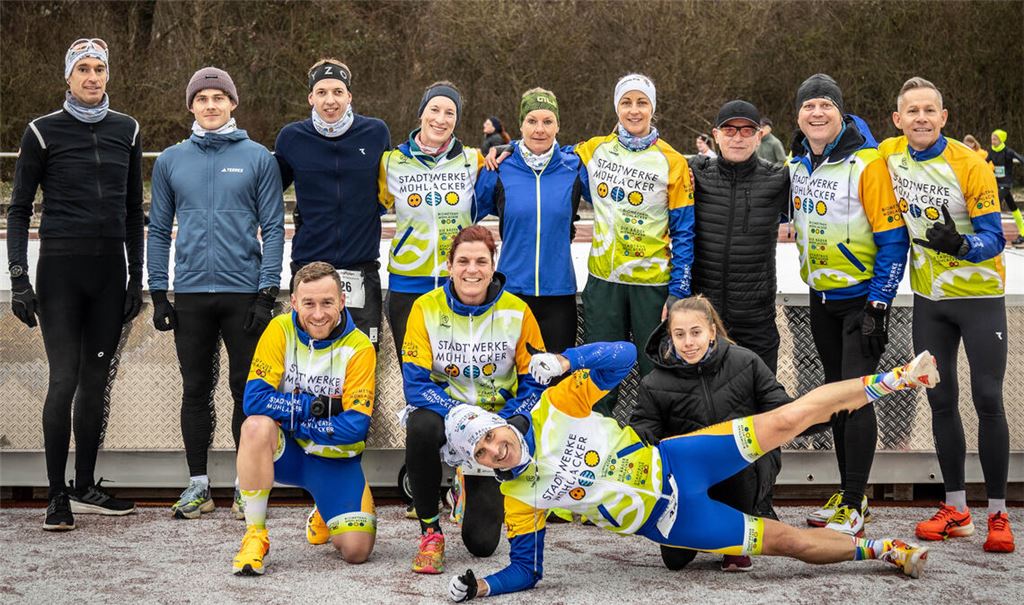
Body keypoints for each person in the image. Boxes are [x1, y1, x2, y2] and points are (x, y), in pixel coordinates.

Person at [440, 342, 940, 601]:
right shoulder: (519, 498)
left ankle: (900, 378)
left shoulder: (554, 407)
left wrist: (566, 360)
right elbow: (526, 571)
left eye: (490, 435)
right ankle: (882, 549)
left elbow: (623, 358)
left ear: (497, 422)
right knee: (788, 543)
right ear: (478, 463)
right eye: (481, 452)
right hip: (672, 522)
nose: (495, 449)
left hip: (679, 461)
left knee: (788, 420)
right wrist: (482, 587)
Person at [7, 37, 142, 530]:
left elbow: (134, 210)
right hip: (60, 272)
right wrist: (19, 278)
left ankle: (85, 486)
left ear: (108, 75)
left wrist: (136, 278)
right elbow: (19, 209)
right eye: (82, 68)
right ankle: (56, 495)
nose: (91, 77)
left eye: (98, 69)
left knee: (95, 382)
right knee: (64, 379)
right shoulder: (41, 131)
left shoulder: (127, 129)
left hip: (109, 274)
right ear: (67, 76)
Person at [878, 77, 1013, 553]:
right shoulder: (889, 152)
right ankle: (956, 509)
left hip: (979, 297)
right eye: (912, 111)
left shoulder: (970, 164)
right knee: (940, 398)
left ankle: (998, 513)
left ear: (943, 117)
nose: (921, 118)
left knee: (988, 398)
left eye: (929, 110)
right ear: (898, 119)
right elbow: (850, 137)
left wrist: (961, 245)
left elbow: (995, 238)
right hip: (929, 300)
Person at [148, 67, 285, 520]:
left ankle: (245, 485)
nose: (210, 105)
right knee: (195, 390)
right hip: (190, 295)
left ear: (232, 103)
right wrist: (159, 292)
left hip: (243, 293)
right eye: (202, 98)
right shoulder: (170, 160)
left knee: (246, 391)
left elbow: (274, 228)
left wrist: (267, 292)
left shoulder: (258, 158)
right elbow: (157, 230)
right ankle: (198, 486)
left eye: (218, 97)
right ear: (191, 106)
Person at [788, 73, 910, 536]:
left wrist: (879, 304)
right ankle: (847, 493)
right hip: (821, 298)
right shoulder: (798, 162)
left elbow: (893, 241)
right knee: (834, 396)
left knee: (856, 399)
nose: (817, 113)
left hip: (861, 300)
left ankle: (856, 503)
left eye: (826, 105)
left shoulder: (867, 162)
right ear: (798, 115)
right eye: (809, 106)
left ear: (841, 113)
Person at [401, 225, 546, 574]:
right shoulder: (425, 307)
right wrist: (465, 417)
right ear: (449, 266)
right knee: (420, 426)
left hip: (497, 422)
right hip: (444, 413)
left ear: (493, 267)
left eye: (481, 261)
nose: (472, 270)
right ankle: (430, 532)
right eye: (463, 261)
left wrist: (512, 420)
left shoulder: (518, 311)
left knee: (482, 545)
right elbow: (415, 385)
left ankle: (463, 488)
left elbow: (536, 382)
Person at [231, 262, 377, 575]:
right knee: (255, 426)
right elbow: (254, 400)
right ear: (294, 302)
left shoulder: (360, 347)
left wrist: (292, 419)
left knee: (356, 552)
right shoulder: (279, 329)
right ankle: (255, 535)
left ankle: (324, 509)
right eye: (308, 303)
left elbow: (356, 426)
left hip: (336, 462)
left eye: (327, 303)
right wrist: (315, 406)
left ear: (342, 301)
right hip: (290, 456)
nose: (318, 314)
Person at [630, 295, 791, 573]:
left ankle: (738, 536)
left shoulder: (745, 361)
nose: (688, 342)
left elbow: (780, 407)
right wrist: (636, 441)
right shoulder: (654, 383)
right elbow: (644, 428)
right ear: (670, 337)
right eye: (679, 335)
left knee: (741, 460)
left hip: (740, 471)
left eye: (696, 332)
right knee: (675, 561)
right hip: (689, 478)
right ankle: (702, 532)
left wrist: (824, 413)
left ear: (712, 332)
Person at [576, 73, 695, 417]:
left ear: (652, 108)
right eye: (626, 102)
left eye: (642, 102)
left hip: (651, 285)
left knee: (657, 374)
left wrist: (678, 291)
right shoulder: (593, 150)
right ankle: (595, 440)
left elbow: (685, 232)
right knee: (599, 374)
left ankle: (657, 442)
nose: (634, 110)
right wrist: (505, 151)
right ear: (617, 107)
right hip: (604, 282)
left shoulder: (673, 161)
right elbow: (548, 153)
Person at [378, 81, 497, 365]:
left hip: (457, 281)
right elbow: (367, 209)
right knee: (413, 367)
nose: (440, 119)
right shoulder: (391, 162)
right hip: (407, 282)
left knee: (456, 368)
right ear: (421, 113)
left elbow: (508, 167)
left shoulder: (473, 160)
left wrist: (506, 150)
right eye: (434, 109)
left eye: (449, 113)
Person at [275, 59, 391, 348]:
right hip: (309, 267)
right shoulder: (291, 137)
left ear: (349, 96)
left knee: (363, 357)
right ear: (310, 98)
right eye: (322, 92)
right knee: (308, 356)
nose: (330, 100)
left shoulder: (376, 132)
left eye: (338, 92)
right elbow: (268, 188)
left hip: (361, 266)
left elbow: (388, 187)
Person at [688, 100, 790, 373]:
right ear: (716, 135)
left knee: (760, 396)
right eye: (729, 130)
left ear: (759, 137)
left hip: (756, 320)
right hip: (702, 317)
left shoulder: (778, 179)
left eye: (746, 131)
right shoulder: (695, 172)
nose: (737, 138)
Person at [490, 88, 583, 353]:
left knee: (557, 374)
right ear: (521, 125)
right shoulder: (500, 167)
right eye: (532, 121)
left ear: (558, 126)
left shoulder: (574, 168)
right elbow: (468, 206)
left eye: (547, 121)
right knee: (512, 375)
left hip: (559, 295)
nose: (539, 129)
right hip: (512, 291)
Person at [989, 129, 1024, 246]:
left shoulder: (1008, 152)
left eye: (995, 139)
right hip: (998, 183)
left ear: (1001, 140)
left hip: (1006, 184)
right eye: (992, 138)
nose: (992, 141)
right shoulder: (992, 151)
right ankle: (1023, 233)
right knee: (1013, 207)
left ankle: (994, 235)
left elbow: (1021, 159)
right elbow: (984, 163)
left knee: (995, 203)